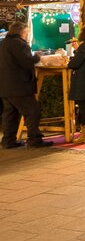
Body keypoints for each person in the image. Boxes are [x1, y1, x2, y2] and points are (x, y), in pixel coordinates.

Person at [0, 20, 52, 148]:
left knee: (10, 114)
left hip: (5, 86)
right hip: (19, 86)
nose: (28, 34)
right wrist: (38, 56)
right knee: (32, 111)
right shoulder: (20, 44)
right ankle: (34, 140)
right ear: (22, 32)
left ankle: (8, 141)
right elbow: (26, 61)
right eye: (27, 32)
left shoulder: (4, 43)